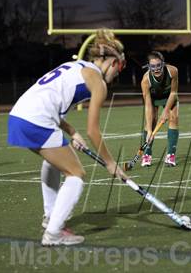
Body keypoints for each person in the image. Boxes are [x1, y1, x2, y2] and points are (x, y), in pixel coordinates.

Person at [7, 29, 127, 245]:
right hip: (37, 119)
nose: (118, 74)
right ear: (112, 62)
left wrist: (72, 132)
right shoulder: (98, 83)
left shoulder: (75, 66)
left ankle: (50, 216)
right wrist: (110, 163)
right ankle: (54, 233)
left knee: (53, 162)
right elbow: (93, 131)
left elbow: (48, 101)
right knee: (76, 174)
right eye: (120, 68)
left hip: (18, 115)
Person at [140, 51, 179, 167]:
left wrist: (166, 110)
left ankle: (171, 155)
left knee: (174, 118)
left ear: (163, 64)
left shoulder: (173, 71)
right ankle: (147, 154)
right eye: (152, 66)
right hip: (153, 98)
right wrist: (150, 131)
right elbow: (147, 104)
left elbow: (173, 93)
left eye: (158, 65)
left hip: (169, 96)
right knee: (151, 124)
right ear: (149, 67)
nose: (156, 69)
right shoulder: (145, 80)